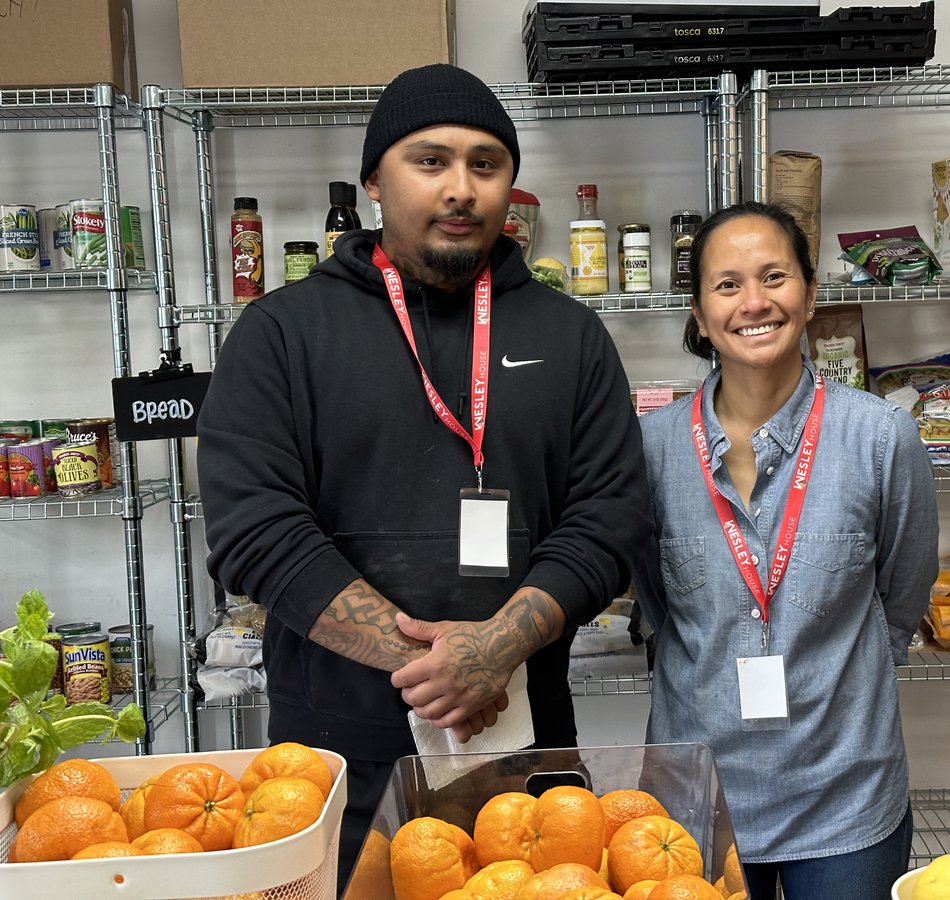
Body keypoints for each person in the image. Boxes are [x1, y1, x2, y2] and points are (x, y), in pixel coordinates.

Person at [196, 63, 652, 893]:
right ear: (374, 179)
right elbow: (254, 530)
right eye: (430, 160)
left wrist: (497, 646)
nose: (461, 188)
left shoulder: (572, 335)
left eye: (486, 164)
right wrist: (446, 669)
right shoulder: (280, 333)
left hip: (527, 752)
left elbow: (609, 517)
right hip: (333, 758)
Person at [632, 201, 938, 900]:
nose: (754, 302)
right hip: (695, 800)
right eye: (728, 284)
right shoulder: (651, 450)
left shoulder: (881, 439)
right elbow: (657, 601)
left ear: (810, 294)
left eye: (774, 277)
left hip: (845, 799)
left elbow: (901, 600)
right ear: (699, 313)